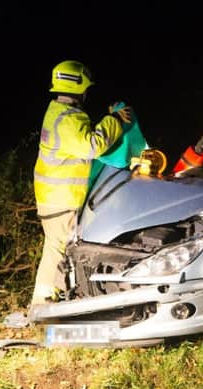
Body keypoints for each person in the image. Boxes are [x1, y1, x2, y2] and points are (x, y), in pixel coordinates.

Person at [31, 60, 131, 307]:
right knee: (61, 249)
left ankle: (47, 299)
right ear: (79, 88)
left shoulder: (60, 114)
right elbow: (92, 146)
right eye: (86, 88)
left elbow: (80, 136)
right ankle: (46, 304)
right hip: (60, 198)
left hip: (53, 196)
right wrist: (114, 120)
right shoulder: (67, 119)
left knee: (55, 248)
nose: (88, 92)